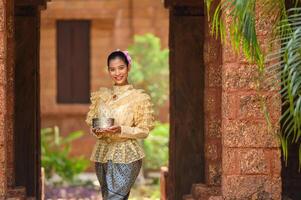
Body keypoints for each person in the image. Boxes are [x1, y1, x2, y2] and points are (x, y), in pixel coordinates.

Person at [85, 50, 155, 199]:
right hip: (103, 154)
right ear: (108, 71)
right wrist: (97, 131)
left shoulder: (138, 98)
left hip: (127, 155)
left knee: (114, 198)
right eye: (112, 69)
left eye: (121, 67)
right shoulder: (102, 97)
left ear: (128, 67)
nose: (117, 73)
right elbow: (95, 124)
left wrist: (121, 129)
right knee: (108, 197)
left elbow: (144, 130)